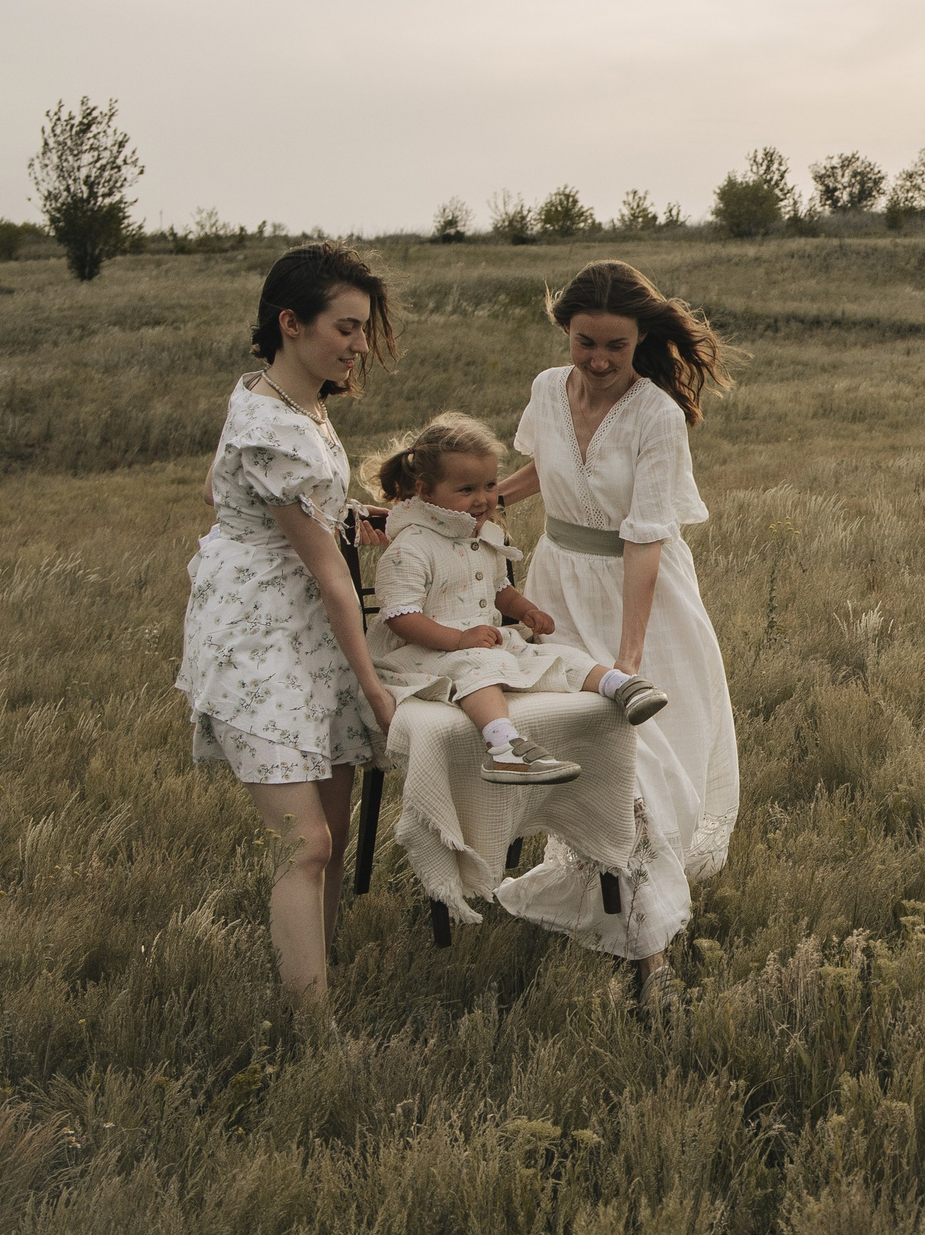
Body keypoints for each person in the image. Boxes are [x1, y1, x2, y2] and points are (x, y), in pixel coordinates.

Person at [491, 261, 741, 992]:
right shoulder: (546, 388)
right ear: (565, 331)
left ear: (641, 341)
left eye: (616, 346)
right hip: (557, 586)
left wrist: (629, 656)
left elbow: (645, 539)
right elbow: (547, 467)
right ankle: (605, 901)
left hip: (642, 598)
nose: (598, 360)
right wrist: (481, 501)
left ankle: (648, 950)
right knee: (576, 746)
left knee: (639, 759)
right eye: (585, 342)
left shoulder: (656, 415)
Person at [177, 242, 397, 999]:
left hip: (306, 634)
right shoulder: (272, 426)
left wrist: (344, 512)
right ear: (291, 322)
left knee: (331, 834)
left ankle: (316, 983)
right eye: (346, 327)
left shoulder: (284, 397)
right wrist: (375, 688)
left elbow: (216, 490)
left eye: (363, 328)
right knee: (305, 844)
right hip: (259, 637)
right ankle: (312, 1033)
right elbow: (331, 577)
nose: (359, 345)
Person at [360, 412, 670, 785]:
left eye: (490, 485)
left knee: (553, 652)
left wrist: (526, 610)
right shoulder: (411, 547)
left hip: (481, 642)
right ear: (426, 491)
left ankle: (619, 685)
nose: (482, 499)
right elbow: (400, 617)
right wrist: (459, 640)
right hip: (425, 651)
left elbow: (499, 591)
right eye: (466, 490)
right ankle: (504, 748)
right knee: (477, 669)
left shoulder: (481, 537)